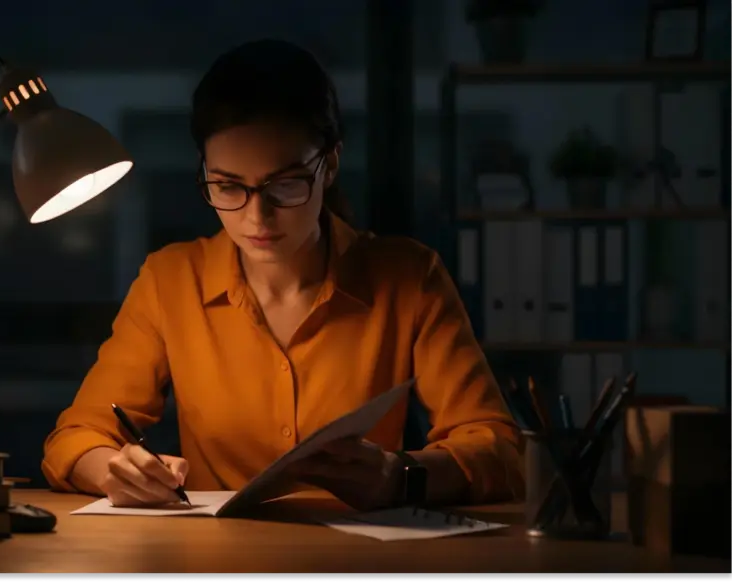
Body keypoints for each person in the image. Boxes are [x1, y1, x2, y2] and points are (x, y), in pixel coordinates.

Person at [42, 39, 522, 511]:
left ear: (329, 164)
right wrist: (115, 470)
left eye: (285, 184)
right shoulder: (172, 280)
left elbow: (500, 448)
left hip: (362, 556)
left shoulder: (410, 277)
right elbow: (75, 438)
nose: (257, 218)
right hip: (215, 558)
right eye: (228, 186)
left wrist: (401, 478)